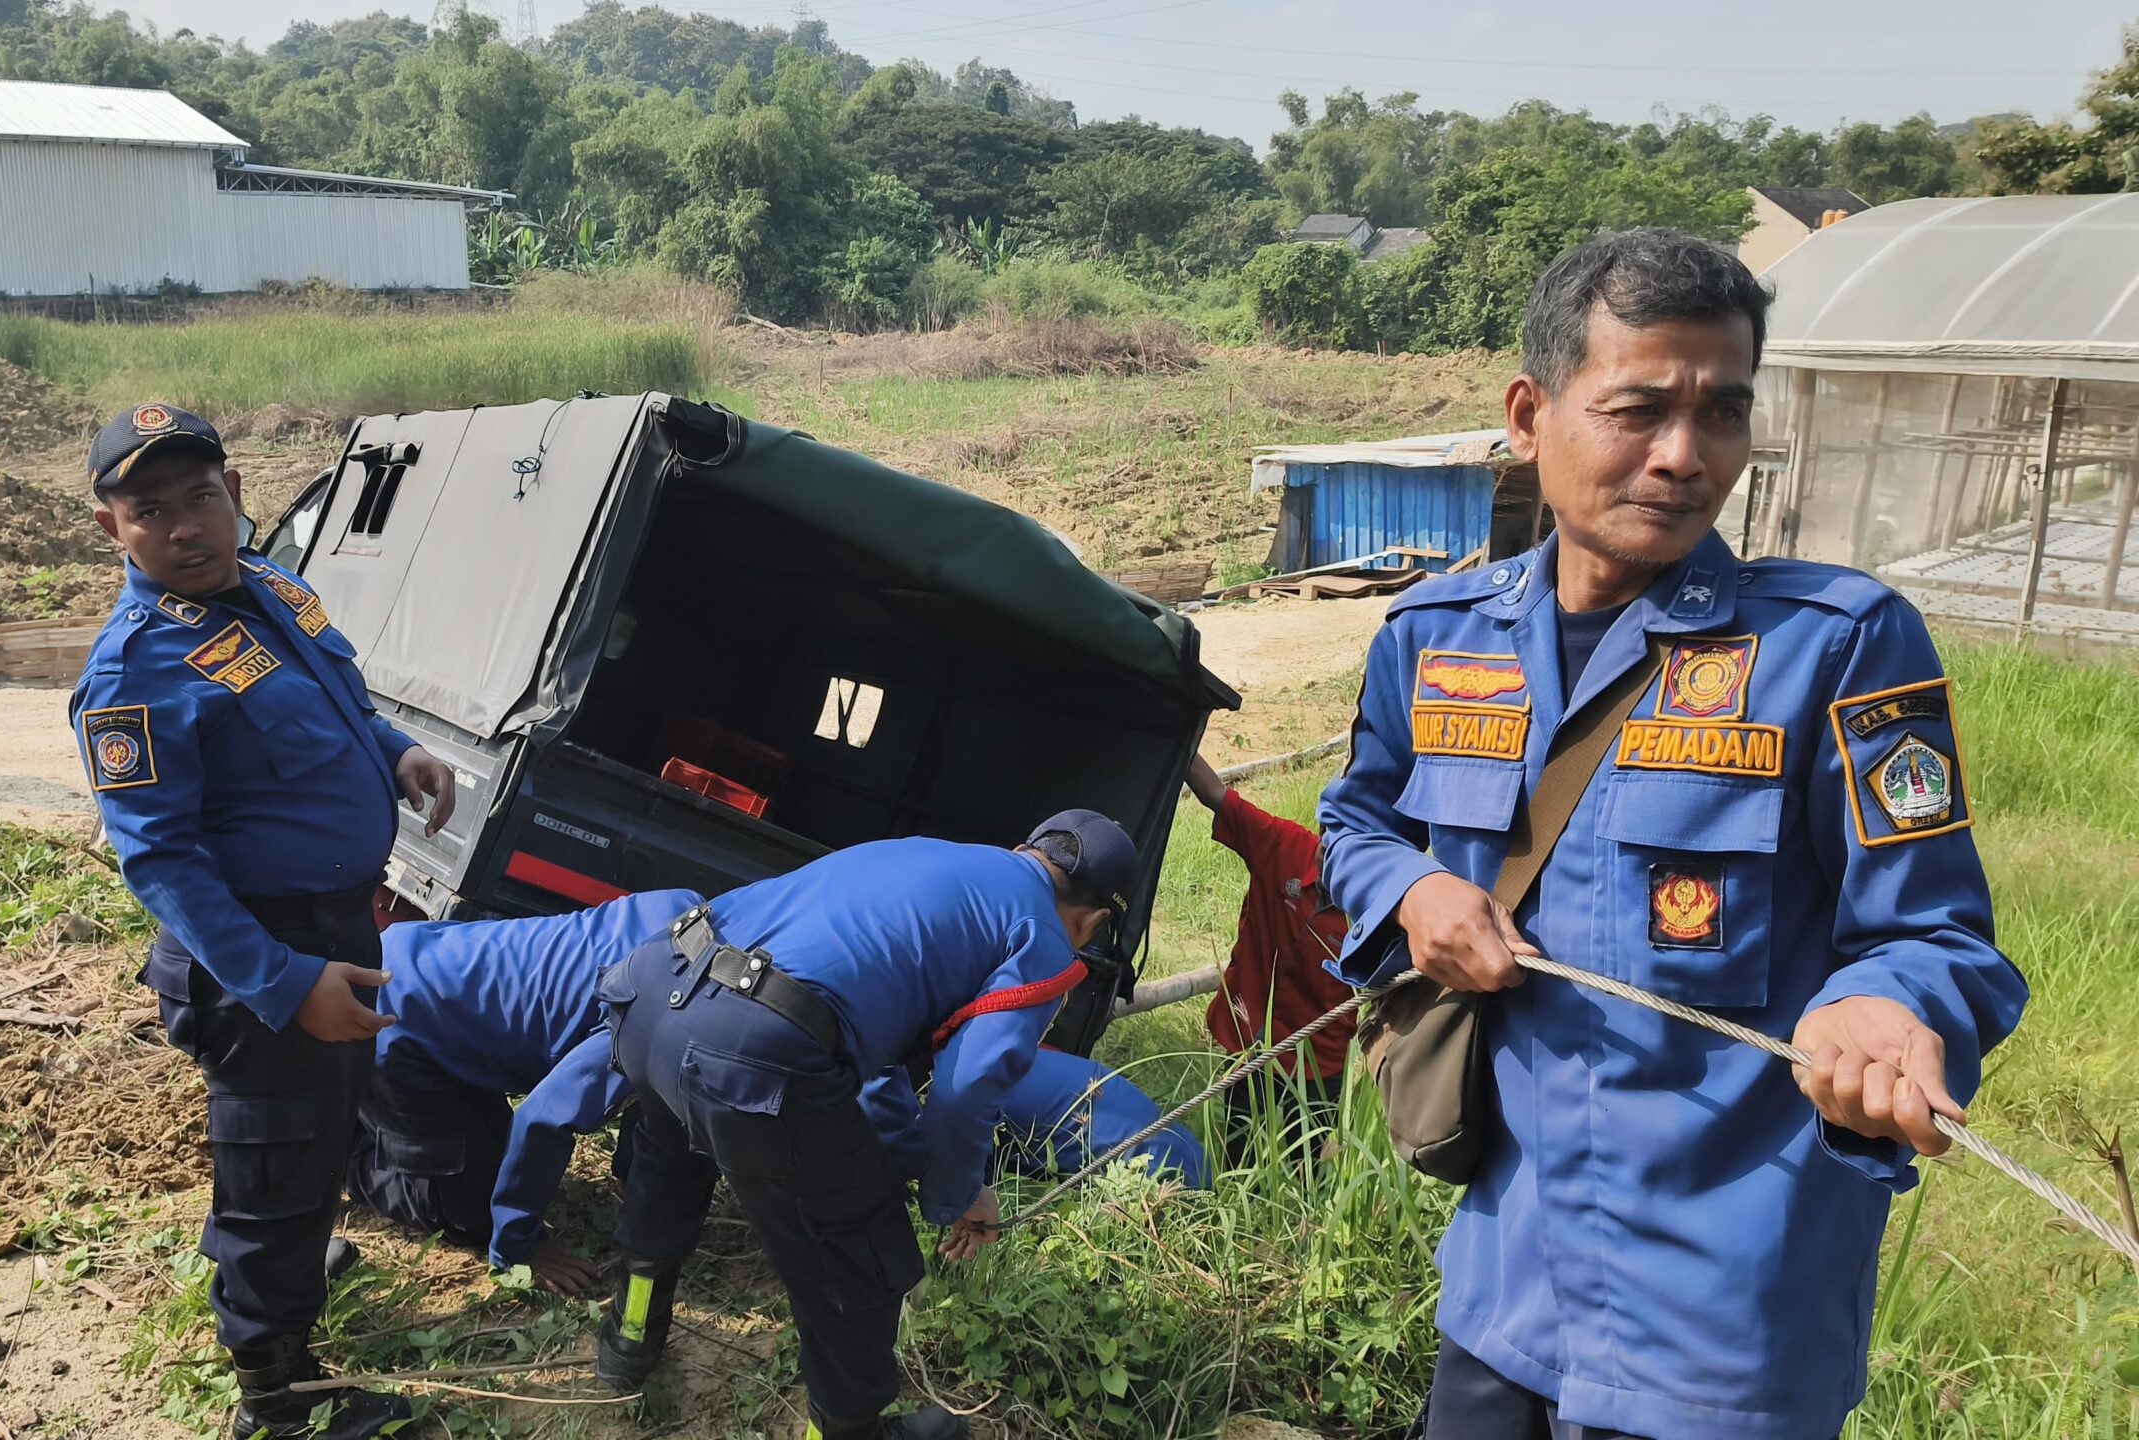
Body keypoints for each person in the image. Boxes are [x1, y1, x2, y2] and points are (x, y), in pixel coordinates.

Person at [1316, 230, 2026, 1440]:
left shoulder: (1837, 649)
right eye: (1638, 409)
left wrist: (1889, 1007)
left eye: (1724, 414)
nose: (1685, 457)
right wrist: (1411, 894)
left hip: (1725, 1310)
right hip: (1505, 1274)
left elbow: (1939, 935)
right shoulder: (1437, 637)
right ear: (1531, 415)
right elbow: (1357, 818)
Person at [69, 403, 458, 1440]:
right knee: (280, 1167)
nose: (188, 526)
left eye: (202, 495)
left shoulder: (273, 588)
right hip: (261, 955)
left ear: (234, 491)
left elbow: (336, 703)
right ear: (115, 530)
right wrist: (288, 983)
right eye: (152, 510)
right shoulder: (133, 671)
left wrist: (394, 750)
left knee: (309, 1138)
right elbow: (159, 858)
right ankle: (276, 1394)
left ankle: (276, 1257)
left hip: (334, 924)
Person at [591, 813, 1137, 1440]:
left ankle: (629, 1340)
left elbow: (870, 1050)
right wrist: (958, 1196)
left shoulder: (931, 855)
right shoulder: (1041, 936)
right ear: (1092, 921)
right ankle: (849, 1431)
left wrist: (908, 1158)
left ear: (1026, 850)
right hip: (750, 1042)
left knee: (668, 1169)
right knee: (863, 1261)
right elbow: (968, 1087)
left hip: (655, 986)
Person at [345, 888, 705, 1295]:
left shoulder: (700, 920)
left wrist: (633, 1178)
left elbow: (656, 1097)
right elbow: (544, 1118)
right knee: (472, 1213)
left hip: (432, 974)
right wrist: (521, 1248)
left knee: (496, 1166)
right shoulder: (660, 1010)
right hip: (393, 1015)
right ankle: (338, 1145)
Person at [1183, 754, 1352, 1165]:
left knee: (1307, 1170)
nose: (1327, 851)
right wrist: (1179, 728)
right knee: (1237, 1154)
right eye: (1327, 833)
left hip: (1318, 1062)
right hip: (1249, 1038)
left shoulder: (1382, 910)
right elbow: (1215, 795)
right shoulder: (1284, 846)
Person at [860, 1045, 1209, 1192]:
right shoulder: (991, 1053)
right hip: (1185, 1154)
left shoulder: (964, 1098)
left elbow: (961, 1176)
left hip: (1162, 1181)